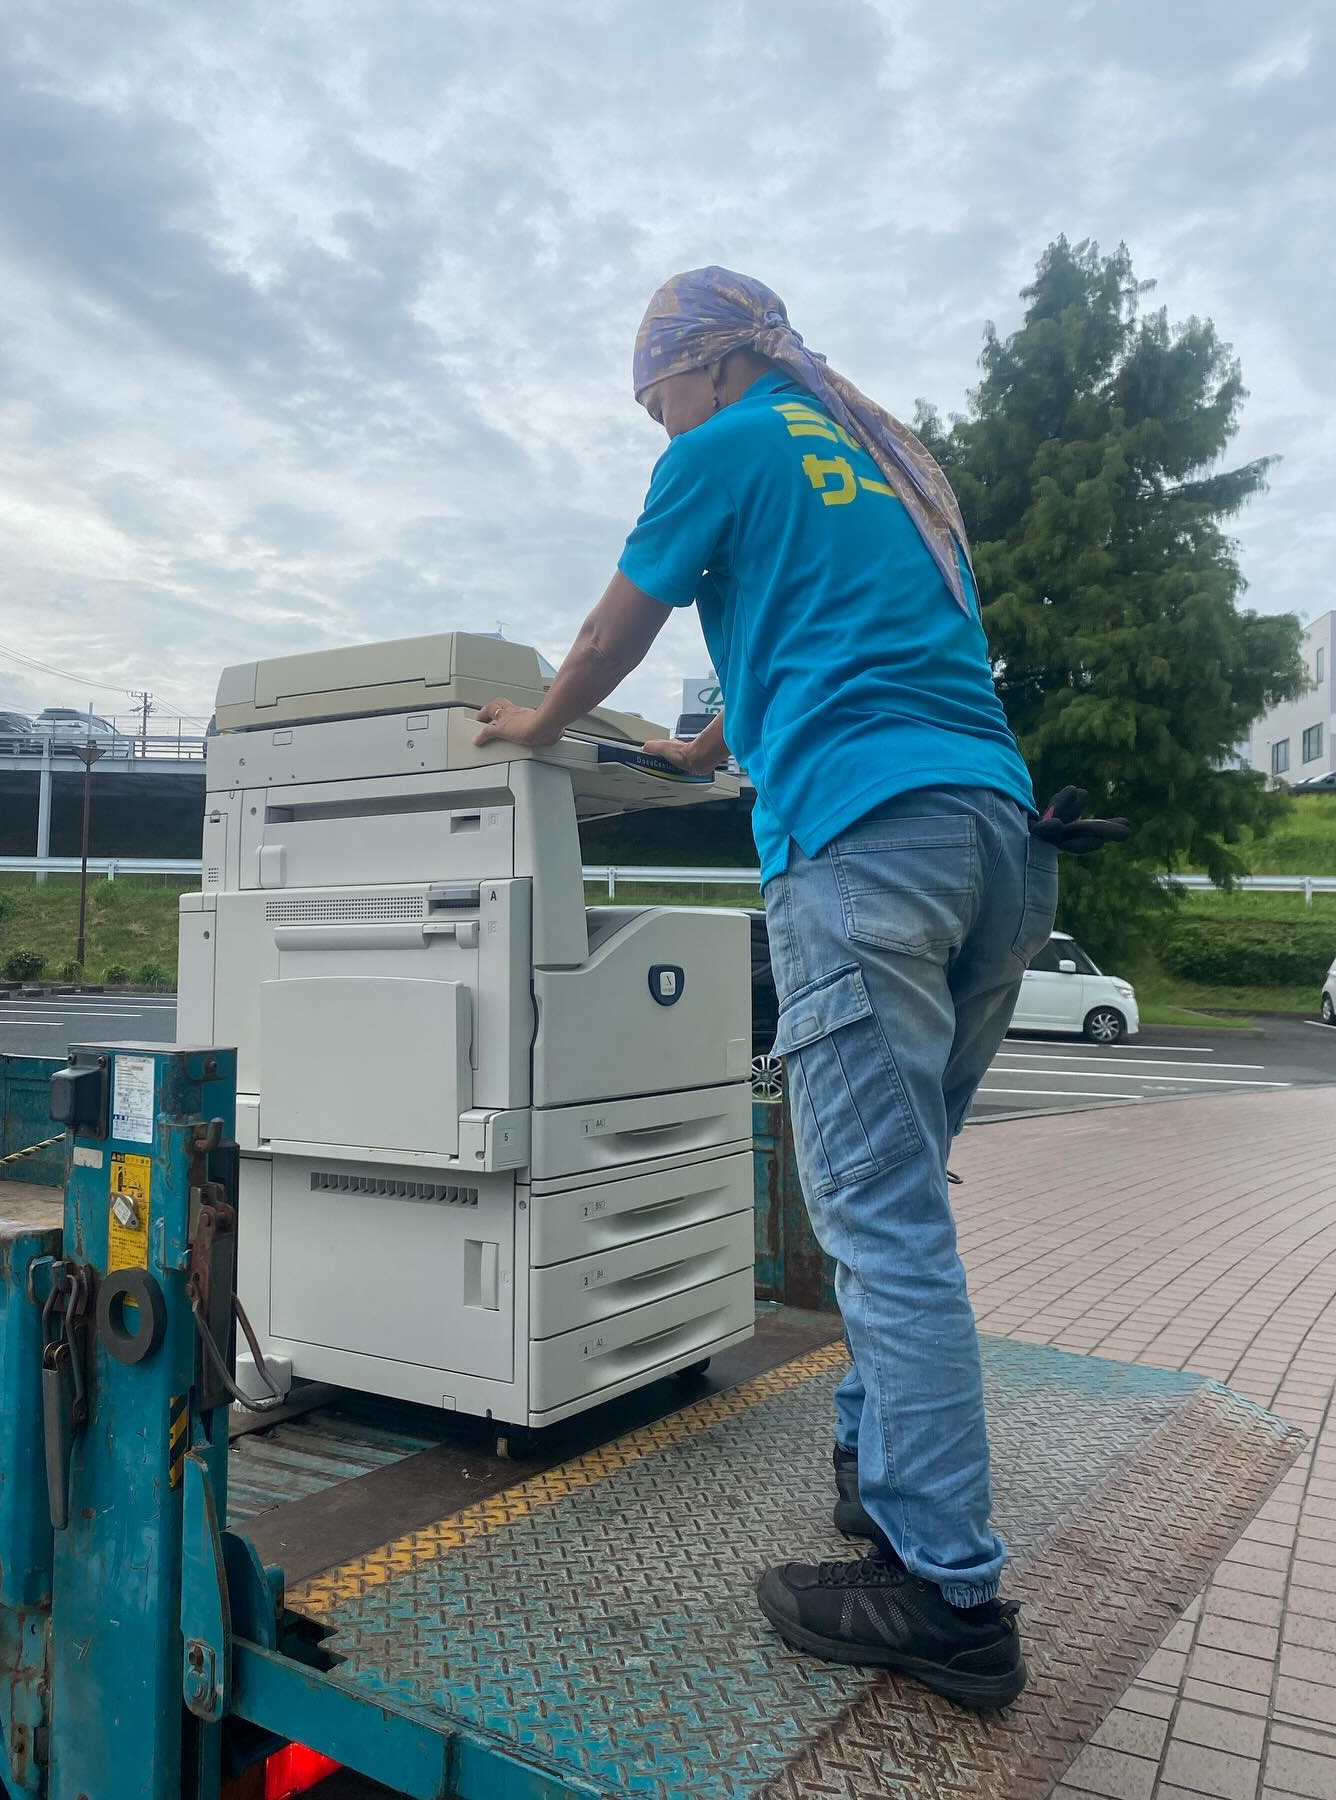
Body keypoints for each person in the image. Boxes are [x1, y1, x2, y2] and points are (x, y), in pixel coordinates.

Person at [473, 266, 1058, 1711]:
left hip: (864, 847)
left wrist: (542, 720)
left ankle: (946, 1596)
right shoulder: (877, 453)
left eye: (652, 402)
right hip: (994, 841)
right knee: (900, 1194)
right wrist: (700, 749)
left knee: (882, 1219)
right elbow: (848, 635)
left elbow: (616, 631)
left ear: (704, 369)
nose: (653, 429)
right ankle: (879, 1476)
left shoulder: (720, 447)